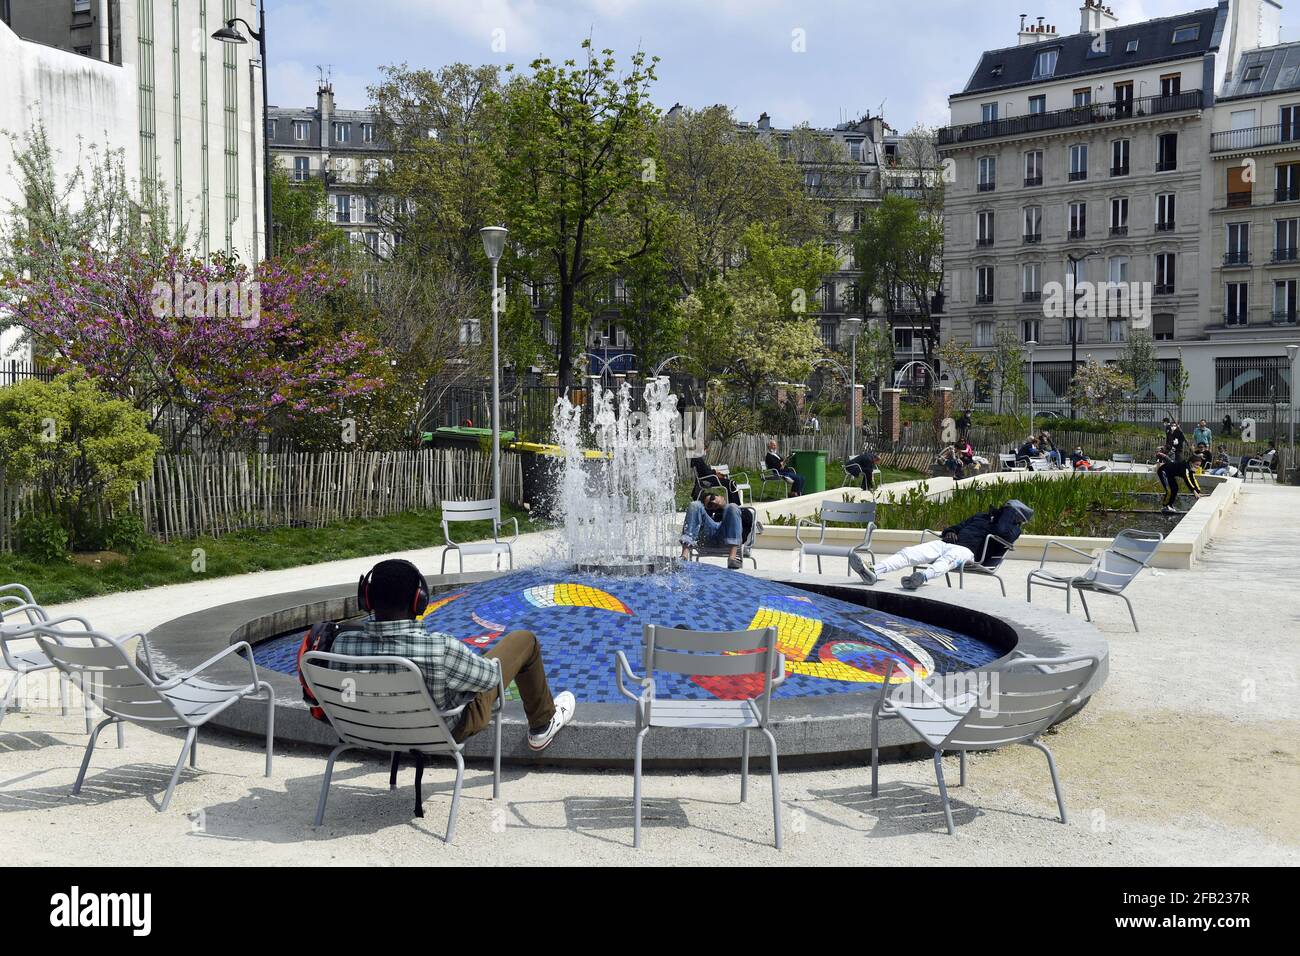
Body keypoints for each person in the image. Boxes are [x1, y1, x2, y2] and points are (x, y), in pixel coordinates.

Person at [333, 559, 576, 750]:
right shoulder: (439, 649)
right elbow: (491, 679)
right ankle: (542, 724)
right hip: (440, 730)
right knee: (524, 640)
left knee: (462, 669)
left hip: (367, 731)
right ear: (419, 602)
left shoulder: (342, 646)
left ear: (366, 599)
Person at [848, 500, 1034, 590]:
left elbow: (1001, 532)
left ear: (1016, 517)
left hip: (968, 553)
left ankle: (921, 577)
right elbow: (956, 526)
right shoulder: (980, 516)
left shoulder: (1012, 529)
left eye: (1010, 510)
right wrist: (950, 532)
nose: (1004, 510)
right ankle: (874, 571)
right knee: (909, 552)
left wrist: (1008, 515)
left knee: (949, 559)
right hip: (946, 543)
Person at [680, 492, 746, 569]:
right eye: (709, 505)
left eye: (712, 498)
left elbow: (746, 524)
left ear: (721, 496)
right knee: (694, 505)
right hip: (708, 536)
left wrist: (724, 507)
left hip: (726, 538)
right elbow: (698, 521)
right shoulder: (707, 513)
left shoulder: (735, 510)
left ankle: (732, 558)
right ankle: (684, 555)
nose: (713, 503)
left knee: (732, 507)